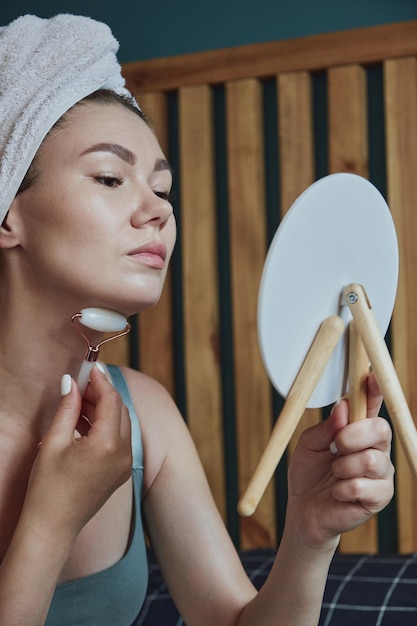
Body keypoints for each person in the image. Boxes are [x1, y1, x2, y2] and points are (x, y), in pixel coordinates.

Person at [0, 14, 394, 626]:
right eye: (110, 176)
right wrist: (51, 521)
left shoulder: (146, 417)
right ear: (7, 215)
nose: (157, 209)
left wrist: (309, 537)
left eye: (164, 189)